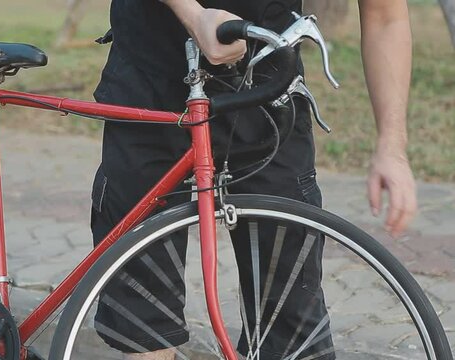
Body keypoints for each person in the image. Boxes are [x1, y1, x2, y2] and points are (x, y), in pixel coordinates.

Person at [89, 0, 416, 359]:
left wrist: (392, 146)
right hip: (151, 81)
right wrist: (194, 16)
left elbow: (385, 17)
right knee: (144, 317)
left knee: (291, 326)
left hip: (268, 93)